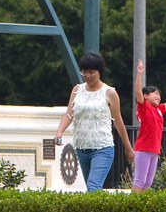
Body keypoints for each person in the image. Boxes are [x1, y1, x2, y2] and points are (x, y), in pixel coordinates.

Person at [53, 51, 135, 191]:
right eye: (85, 72)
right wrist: (59, 132)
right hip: (82, 147)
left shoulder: (109, 93)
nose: (88, 76)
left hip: (103, 148)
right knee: (93, 189)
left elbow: (118, 121)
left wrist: (128, 148)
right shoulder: (77, 90)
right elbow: (69, 114)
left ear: (99, 72)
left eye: (92, 72)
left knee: (93, 186)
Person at [131, 59, 166, 192]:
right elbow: (138, 93)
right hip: (143, 148)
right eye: (155, 93)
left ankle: (143, 207)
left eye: (159, 94)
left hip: (154, 149)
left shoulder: (159, 109)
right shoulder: (144, 107)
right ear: (146, 96)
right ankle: (131, 206)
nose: (158, 96)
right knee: (140, 180)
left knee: (148, 182)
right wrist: (139, 74)